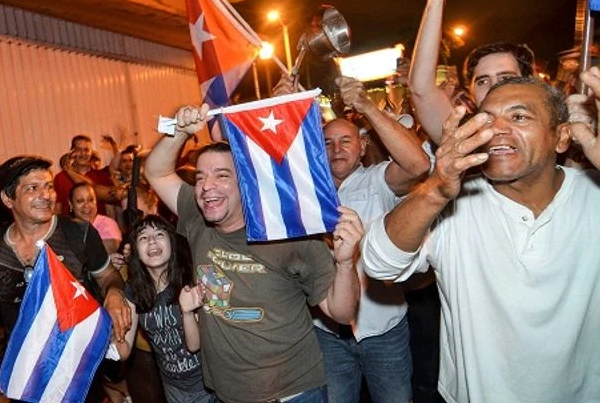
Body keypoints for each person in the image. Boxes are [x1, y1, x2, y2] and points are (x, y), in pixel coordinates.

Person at [361, 77, 600, 403]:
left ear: (561, 137)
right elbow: (379, 263)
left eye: (519, 116)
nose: (495, 129)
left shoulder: (592, 193)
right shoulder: (452, 200)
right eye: (486, 119)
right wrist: (435, 190)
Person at [145, 104, 363, 403]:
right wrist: (179, 132)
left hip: (294, 394)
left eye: (222, 175)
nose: (207, 186)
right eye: (200, 177)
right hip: (229, 394)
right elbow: (156, 172)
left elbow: (342, 312)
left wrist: (345, 262)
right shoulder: (197, 218)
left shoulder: (287, 231)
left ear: (246, 183)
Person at [0, 156, 132, 402]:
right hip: (25, 372)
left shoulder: (79, 233)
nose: (46, 195)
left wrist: (114, 293)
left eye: (48, 186)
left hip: (77, 367)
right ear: (7, 198)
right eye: (32, 188)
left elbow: (108, 275)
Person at [315, 77, 430, 403]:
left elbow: (418, 165)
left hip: (384, 330)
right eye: (327, 142)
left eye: (346, 141)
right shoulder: (307, 193)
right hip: (327, 333)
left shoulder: (378, 180)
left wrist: (366, 106)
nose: (336, 149)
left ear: (363, 146)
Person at [409, 0, 534, 144]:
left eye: (505, 77)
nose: (493, 86)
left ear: (529, 82)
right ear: (471, 92)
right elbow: (421, 89)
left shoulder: (552, 130)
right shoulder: (465, 138)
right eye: (482, 81)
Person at [113, 215, 213, 403]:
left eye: (159, 234)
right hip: (172, 387)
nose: (151, 240)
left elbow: (195, 345)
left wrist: (187, 312)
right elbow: (124, 349)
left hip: (206, 385)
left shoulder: (189, 278)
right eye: (143, 237)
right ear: (136, 252)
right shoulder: (134, 290)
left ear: (171, 243)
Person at [54, 135, 123, 216]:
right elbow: (58, 210)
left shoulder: (102, 176)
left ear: (91, 152)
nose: (83, 153)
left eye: (86, 150)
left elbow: (112, 206)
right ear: (72, 151)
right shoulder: (60, 178)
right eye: (78, 149)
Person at [69, 182, 122, 254]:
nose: (86, 205)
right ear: (71, 205)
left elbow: (107, 250)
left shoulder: (107, 223)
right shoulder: (65, 226)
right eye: (80, 201)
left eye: (91, 200)